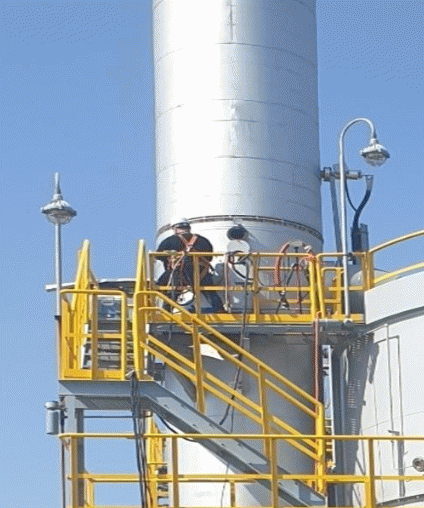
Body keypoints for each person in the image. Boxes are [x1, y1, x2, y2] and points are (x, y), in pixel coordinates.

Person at [156, 218, 224, 313]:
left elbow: (158, 256)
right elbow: (209, 258)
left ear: (175, 228)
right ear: (188, 227)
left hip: (179, 273)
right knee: (209, 291)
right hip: (200, 273)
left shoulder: (170, 241)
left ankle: (166, 312)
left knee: (166, 289)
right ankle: (219, 309)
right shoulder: (203, 240)